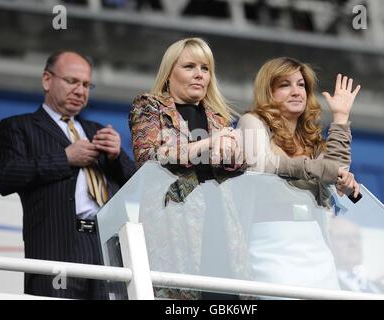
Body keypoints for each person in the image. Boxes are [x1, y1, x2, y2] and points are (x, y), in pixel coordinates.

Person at [0, 51, 136, 299]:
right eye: (72, 81)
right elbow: (5, 176)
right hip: (56, 248)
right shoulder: (18, 126)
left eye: (86, 84)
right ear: (47, 80)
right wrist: (66, 158)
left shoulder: (97, 130)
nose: (80, 91)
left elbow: (134, 183)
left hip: (107, 248)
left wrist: (117, 155)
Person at [128, 37, 246, 299]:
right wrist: (208, 144)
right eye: (190, 66)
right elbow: (148, 156)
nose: (199, 75)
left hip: (221, 223)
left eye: (205, 69)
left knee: (225, 299)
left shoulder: (219, 117)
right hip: (173, 224)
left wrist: (235, 153)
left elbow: (240, 167)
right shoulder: (149, 107)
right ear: (170, 73)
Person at [237, 56, 361, 291]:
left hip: (315, 243)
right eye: (285, 85)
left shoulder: (311, 139)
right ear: (268, 92)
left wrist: (341, 118)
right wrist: (314, 168)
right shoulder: (251, 121)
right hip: (271, 242)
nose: (296, 91)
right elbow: (261, 164)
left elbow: (337, 166)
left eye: (301, 84)